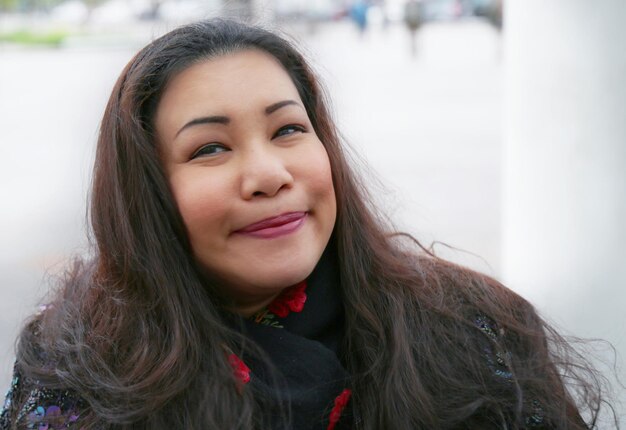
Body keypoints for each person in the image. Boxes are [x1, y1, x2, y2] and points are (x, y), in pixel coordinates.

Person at [0, 19, 612, 430]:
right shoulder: (81, 370)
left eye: (288, 130)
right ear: (147, 194)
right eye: (210, 148)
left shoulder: (474, 333)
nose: (268, 174)